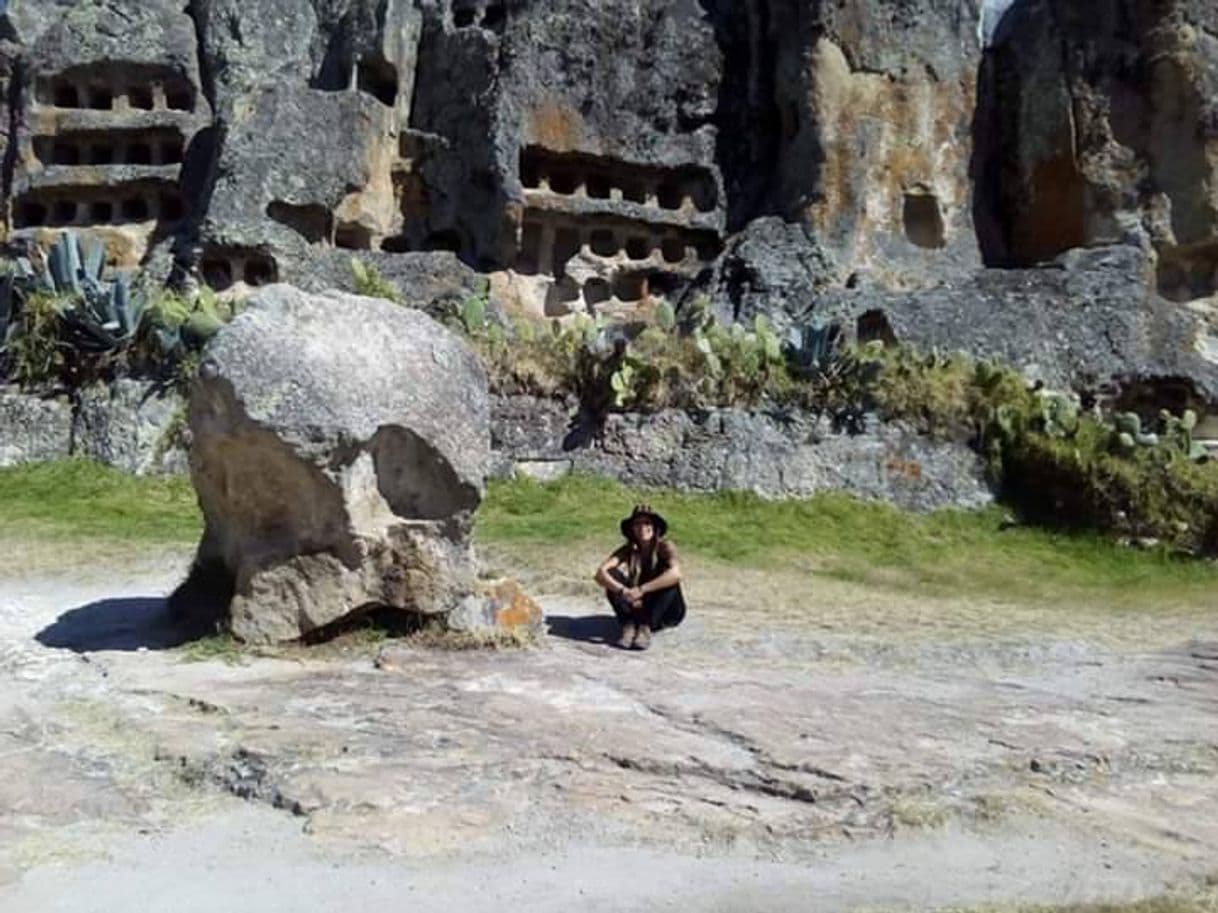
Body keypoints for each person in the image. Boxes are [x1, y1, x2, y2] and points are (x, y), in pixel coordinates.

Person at [594, 504, 686, 650]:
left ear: (655, 527)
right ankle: (628, 624)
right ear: (632, 529)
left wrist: (642, 590)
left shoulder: (665, 547)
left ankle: (645, 626)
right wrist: (623, 591)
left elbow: (676, 573)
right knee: (612, 574)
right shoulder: (628, 550)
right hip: (641, 604)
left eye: (647, 523)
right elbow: (600, 574)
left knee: (667, 576)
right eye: (637, 523)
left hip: (667, 611)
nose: (642, 527)